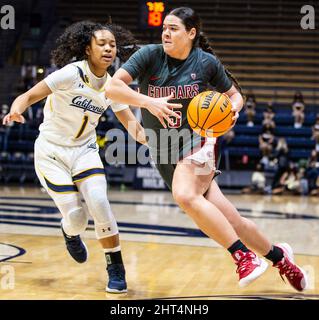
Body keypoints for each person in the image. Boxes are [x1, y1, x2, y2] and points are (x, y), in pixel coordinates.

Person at [105, 7, 307, 291]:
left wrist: (230, 114)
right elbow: (113, 89)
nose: (166, 32)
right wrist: (148, 103)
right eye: (164, 27)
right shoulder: (149, 55)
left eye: (174, 28)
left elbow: (236, 97)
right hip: (163, 148)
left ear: (191, 33)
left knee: (185, 195)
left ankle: (243, 257)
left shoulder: (206, 63)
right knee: (229, 219)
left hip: (198, 140)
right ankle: (280, 258)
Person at [2, 21, 180, 293]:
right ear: (88, 49)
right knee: (76, 217)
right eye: (102, 44)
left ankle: (115, 268)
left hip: (84, 150)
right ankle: (70, 232)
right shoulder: (69, 74)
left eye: (112, 45)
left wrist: (155, 142)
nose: (109, 48)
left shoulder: (113, 85)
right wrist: (16, 110)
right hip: (51, 151)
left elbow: (132, 126)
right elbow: (28, 95)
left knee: (99, 201)